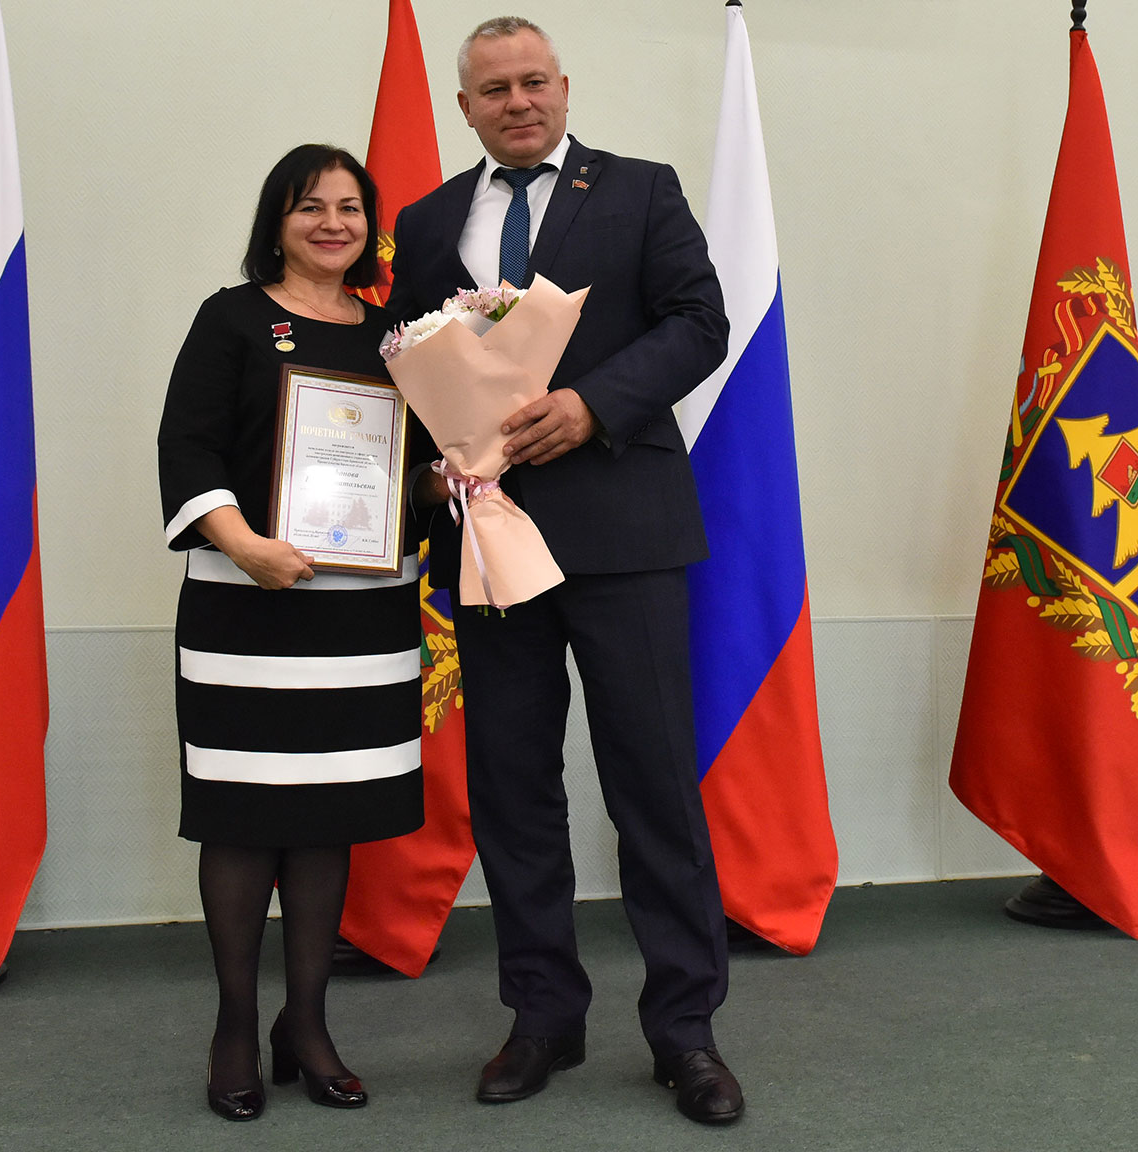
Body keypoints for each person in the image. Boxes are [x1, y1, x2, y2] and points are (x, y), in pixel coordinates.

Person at [386, 17, 744, 1126]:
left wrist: (593, 405)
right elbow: (409, 373)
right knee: (512, 790)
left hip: (625, 537)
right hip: (488, 541)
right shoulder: (426, 221)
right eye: (494, 89)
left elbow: (701, 322)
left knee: (654, 787)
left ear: (564, 86)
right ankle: (543, 1014)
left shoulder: (640, 190)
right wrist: (428, 477)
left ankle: (685, 1031)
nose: (518, 102)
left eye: (533, 81)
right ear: (465, 108)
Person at [157, 144, 424, 1122]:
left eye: (350, 208)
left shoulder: (399, 335)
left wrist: (447, 484)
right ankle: (235, 1025)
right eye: (311, 206)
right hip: (246, 604)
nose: (332, 223)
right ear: (278, 221)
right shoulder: (231, 317)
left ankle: (304, 1025)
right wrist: (243, 544)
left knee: (325, 818)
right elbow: (186, 444)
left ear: (369, 226)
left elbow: (416, 462)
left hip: (363, 614)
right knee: (241, 817)